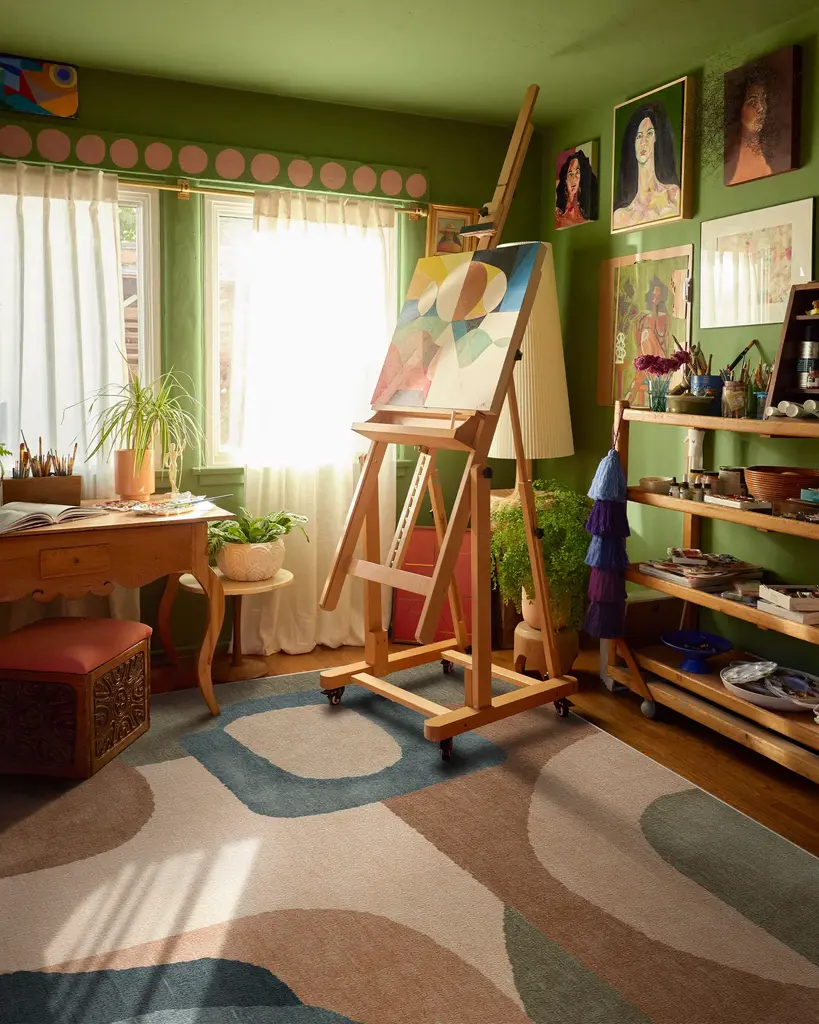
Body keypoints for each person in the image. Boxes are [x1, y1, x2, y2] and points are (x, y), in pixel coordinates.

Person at [612, 102, 680, 229]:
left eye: (649, 133)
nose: (644, 142)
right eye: (639, 136)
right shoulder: (620, 216)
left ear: (656, 139)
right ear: (633, 142)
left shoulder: (673, 195)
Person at [724, 64, 777, 185]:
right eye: (752, 102)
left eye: (763, 100)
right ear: (738, 108)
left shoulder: (768, 155)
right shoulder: (729, 159)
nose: (761, 108)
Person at [555, 148, 598, 228]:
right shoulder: (558, 212)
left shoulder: (585, 210)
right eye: (570, 174)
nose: (574, 179)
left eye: (577, 173)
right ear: (565, 179)